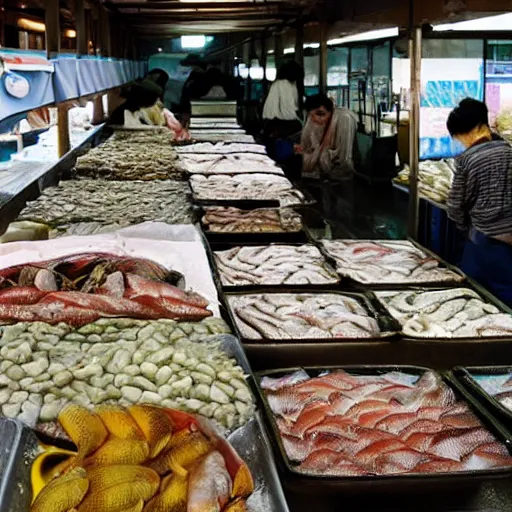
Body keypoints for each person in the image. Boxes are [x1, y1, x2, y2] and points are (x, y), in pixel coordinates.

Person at [446, 97, 512, 306]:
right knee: (506, 297)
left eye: (459, 135)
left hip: (482, 241)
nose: (459, 141)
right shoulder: (509, 151)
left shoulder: (467, 159)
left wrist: (465, 228)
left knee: (472, 296)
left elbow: (455, 205)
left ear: (472, 129)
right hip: (508, 242)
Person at [299, 93, 358, 181]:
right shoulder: (313, 119)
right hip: (322, 168)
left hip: (338, 173)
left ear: (330, 111)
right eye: (312, 116)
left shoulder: (344, 119)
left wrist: (319, 156)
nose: (315, 119)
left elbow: (343, 158)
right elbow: (306, 144)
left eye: (321, 114)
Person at [262, 60, 304, 161]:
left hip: (272, 125)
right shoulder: (285, 84)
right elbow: (288, 111)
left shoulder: (278, 84)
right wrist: (302, 123)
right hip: (282, 125)